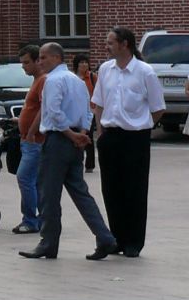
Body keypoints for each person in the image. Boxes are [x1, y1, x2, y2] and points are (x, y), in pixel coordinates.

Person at [19, 42, 118, 262]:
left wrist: (71, 135)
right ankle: (104, 237)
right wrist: (82, 132)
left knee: (48, 195)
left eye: (44, 57)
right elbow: (88, 109)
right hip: (75, 140)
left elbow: (53, 112)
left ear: (56, 58)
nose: (40, 61)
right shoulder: (77, 80)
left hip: (58, 140)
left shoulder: (53, 80)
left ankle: (48, 242)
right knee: (80, 192)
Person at [92, 26, 165, 257]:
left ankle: (133, 241)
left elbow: (157, 109)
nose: (107, 46)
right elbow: (99, 102)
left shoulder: (145, 72)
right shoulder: (105, 69)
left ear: (125, 44)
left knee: (134, 189)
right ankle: (116, 238)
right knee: (111, 190)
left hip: (135, 138)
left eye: (111, 42)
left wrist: (141, 125)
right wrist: (100, 132)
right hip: (110, 136)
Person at [12, 45, 44, 235]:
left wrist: (31, 131)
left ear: (37, 61)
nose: (23, 66)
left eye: (26, 62)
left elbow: (43, 108)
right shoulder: (35, 81)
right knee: (33, 180)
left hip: (34, 141)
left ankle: (31, 220)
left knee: (24, 177)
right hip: (27, 139)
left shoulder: (42, 81)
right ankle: (40, 218)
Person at [72, 52, 97, 172]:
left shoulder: (92, 77)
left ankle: (90, 165)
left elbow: (98, 92)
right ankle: (77, 161)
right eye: (81, 62)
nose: (84, 65)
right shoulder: (72, 78)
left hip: (90, 111)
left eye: (86, 62)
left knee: (89, 136)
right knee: (76, 134)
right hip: (76, 111)